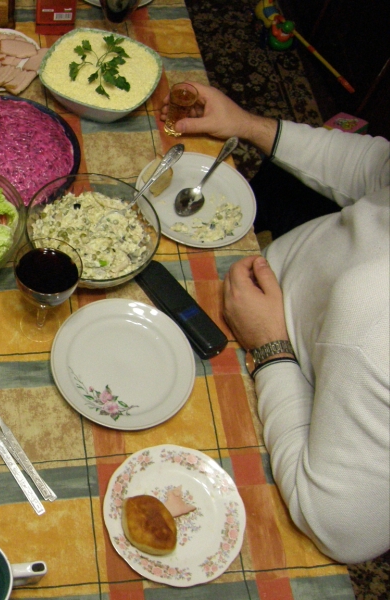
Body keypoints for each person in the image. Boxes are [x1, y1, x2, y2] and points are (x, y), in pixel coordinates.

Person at [161, 82, 389, 564]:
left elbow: (342, 529)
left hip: (273, 377)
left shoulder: (375, 325)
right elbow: (375, 168)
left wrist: (270, 347)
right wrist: (247, 125)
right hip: (258, 292)